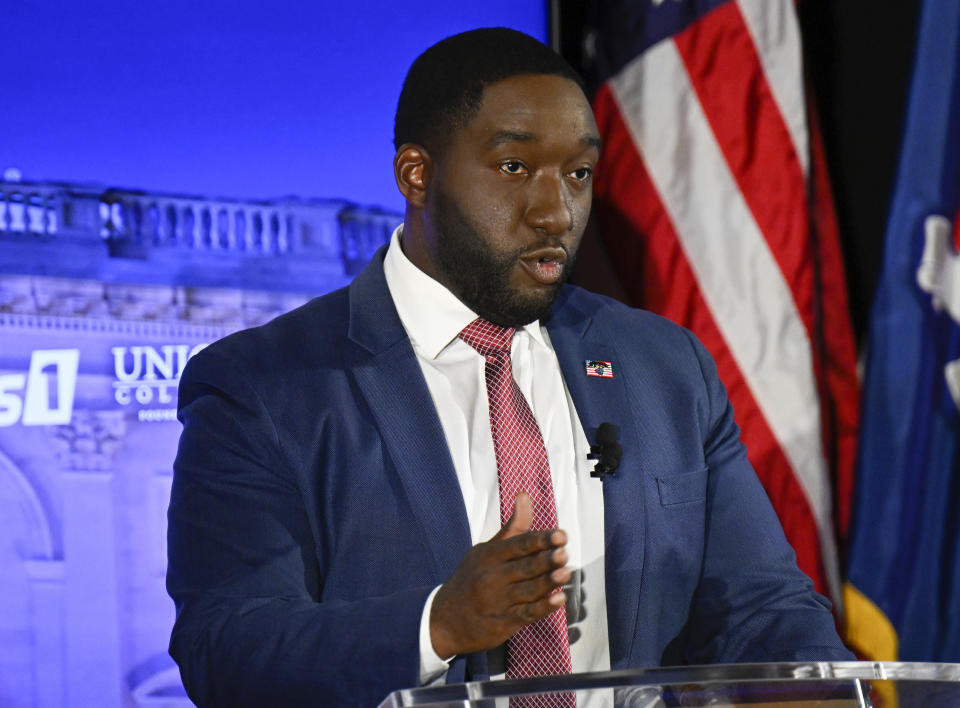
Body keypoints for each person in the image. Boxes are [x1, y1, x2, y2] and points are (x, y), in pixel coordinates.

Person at [166, 27, 854, 707]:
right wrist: (438, 624)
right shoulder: (262, 388)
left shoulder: (666, 368)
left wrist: (817, 686)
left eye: (578, 174)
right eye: (514, 169)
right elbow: (226, 649)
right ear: (417, 174)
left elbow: (762, 604)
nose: (555, 211)